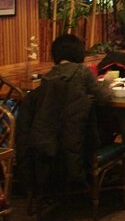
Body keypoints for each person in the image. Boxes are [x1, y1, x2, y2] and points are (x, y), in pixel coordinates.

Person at [16, 34, 114, 190]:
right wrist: (107, 82)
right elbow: (104, 98)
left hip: (53, 142)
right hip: (81, 139)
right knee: (110, 130)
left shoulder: (47, 78)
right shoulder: (82, 72)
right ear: (78, 52)